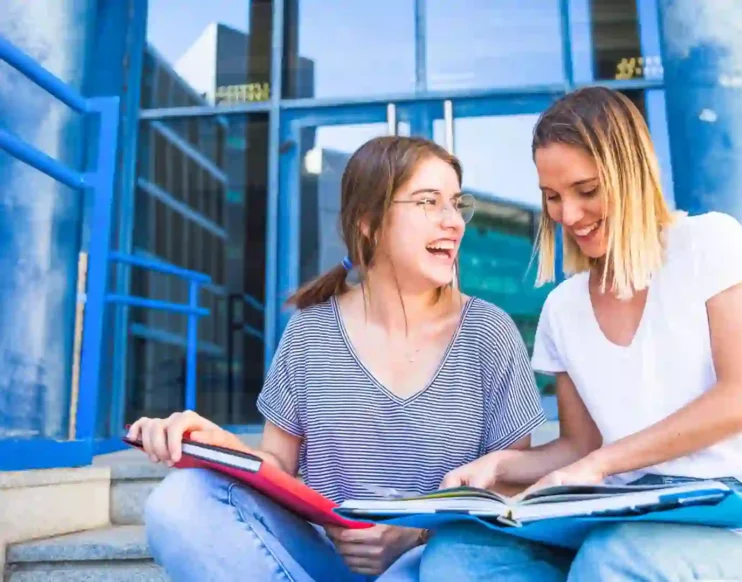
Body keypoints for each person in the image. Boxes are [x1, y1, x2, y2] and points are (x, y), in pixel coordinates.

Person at [419, 87, 742, 581]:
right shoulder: (562, 308)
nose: (568, 215)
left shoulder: (711, 243)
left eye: (586, 191)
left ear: (630, 171)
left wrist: (602, 465)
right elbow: (579, 445)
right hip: (624, 515)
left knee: (616, 558)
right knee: (458, 556)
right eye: (552, 197)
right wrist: (501, 467)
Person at [129, 135, 547, 581]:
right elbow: (278, 467)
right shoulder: (310, 332)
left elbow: (505, 485)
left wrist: (416, 533)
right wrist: (216, 444)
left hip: (434, 563)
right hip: (323, 560)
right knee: (179, 502)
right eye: (429, 202)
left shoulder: (488, 332)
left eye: (456, 204)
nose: (454, 223)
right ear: (369, 222)